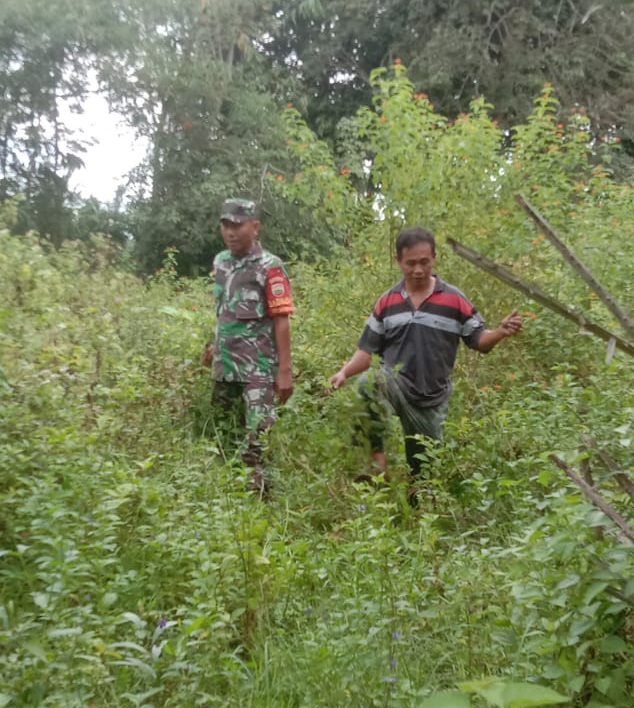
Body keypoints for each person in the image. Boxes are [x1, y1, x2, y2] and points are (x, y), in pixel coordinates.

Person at [326, 225, 522, 480]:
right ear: (398, 261)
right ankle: (376, 465)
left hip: (431, 398)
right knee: (369, 383)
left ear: (434, 259)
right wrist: (343, 373)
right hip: (396, 384)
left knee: (423, 478)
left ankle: (415, 497)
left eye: (424, 262)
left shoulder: (454, 299)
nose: (418, 270)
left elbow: (479, 340)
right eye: (411, 263)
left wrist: (500, 332)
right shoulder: (388, 302)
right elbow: (366, 352)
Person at [201, 197, 294, 492]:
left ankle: (261, 502)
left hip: (258, 370)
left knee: (258, 442)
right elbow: (222, 309)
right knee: (223, 438)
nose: (231, 232)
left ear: (255, 227)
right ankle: (226, 500)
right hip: (224, 367)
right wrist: (212, 346)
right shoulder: (221, 262)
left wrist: (285, 370)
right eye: (226, 225)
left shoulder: (271, 266)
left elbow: (281, 319)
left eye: (238, 226)